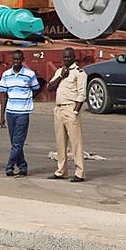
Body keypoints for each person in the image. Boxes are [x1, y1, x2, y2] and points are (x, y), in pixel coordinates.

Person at [46, 47, 87, 182]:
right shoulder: (59, 71)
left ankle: (79, 172)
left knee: (76, 142)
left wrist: (75, 111)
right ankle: (61, 170)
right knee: (60, 142)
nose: (66, 59)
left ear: (74, 57)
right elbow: (50, 87)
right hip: (58, 109)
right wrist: (60, 76)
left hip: (70, 109)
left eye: (69, 57)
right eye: (64, 57)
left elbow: (82, 94)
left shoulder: (79, 73)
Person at [0, 50, 40, 177]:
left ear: (22, 60)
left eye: (18, 60)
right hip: (10, 112)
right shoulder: (6, 75)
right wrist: (2, 116)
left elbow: (36, 89)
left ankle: (9, 166)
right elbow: (4, 96)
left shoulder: (29, 74)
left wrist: (28, 99)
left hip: (23, 112)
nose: (16, 62)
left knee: (17, 142)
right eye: (14, 60)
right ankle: (22, 166)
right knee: (15, 142)